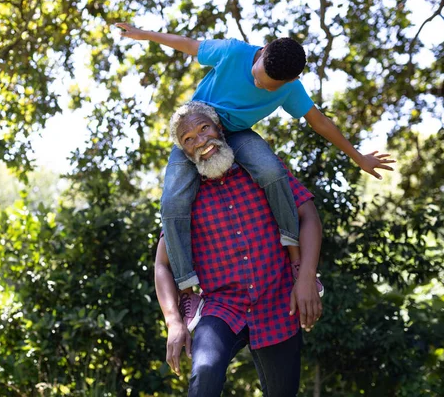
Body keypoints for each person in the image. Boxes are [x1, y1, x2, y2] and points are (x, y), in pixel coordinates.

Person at [118, 23, 395, 330]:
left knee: (271, 171)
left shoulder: (291, 88)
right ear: (261, 53)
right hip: (199, 132)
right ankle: (187, 290)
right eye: (258, 79)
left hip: (237, 135)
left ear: (289, 81)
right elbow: (188, 43)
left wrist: (359, 157)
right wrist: (145, 34)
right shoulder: (233, 52)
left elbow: (320, 122)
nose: (261, 87)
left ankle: (297, 262)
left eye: (269, 87)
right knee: (171, 203)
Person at [155, 101, 323, 396]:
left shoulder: (263, 173)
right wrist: (173, 321)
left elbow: (308, 215)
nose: (200, 141)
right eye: (188, 139)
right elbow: (162, 264)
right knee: (204, 377)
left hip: (280, 300)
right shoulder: (184, 200)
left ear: (219, 129)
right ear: (185, 152)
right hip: (221, 307)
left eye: (204, 128)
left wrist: (306, 276)